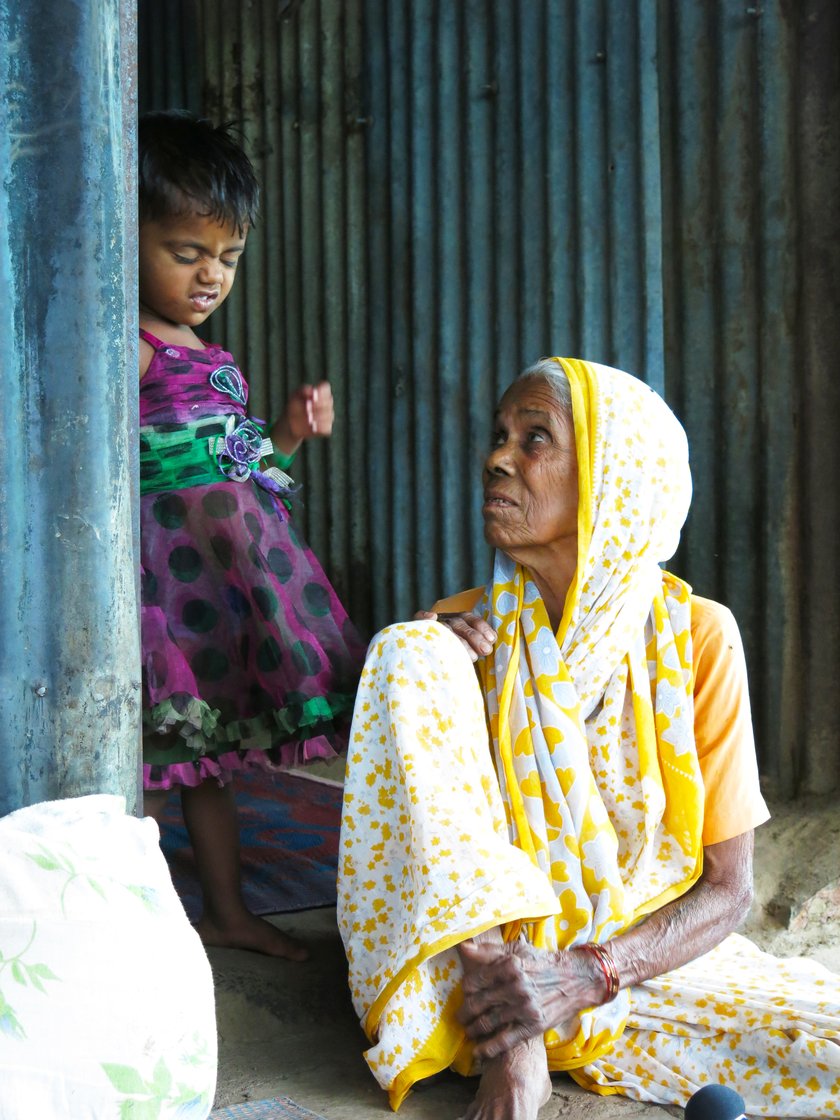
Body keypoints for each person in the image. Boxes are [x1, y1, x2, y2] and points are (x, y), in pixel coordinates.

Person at [337, 357, 840, 1118]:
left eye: (535, 438)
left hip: (633, 971)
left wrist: (585, 974)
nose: (496, 458)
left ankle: (548, 1009)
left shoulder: (699, 638)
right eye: (499, 435)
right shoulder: (456, 633)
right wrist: (520, 1019)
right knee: (409, 650)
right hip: (476, 985)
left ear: (615, 475)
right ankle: (516, 1048)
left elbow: (729, 889)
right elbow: (434, 855)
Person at [138, 110, 365, 961]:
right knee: (161, 760)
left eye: (226, 258)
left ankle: (227, 913)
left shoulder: (204, 347)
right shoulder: (127, 348)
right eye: (186, 252)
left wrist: (293, 432)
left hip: (230, 582)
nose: (209, 277)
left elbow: (242, 455)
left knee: (210, 758)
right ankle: (122, 916)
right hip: (168, 587)